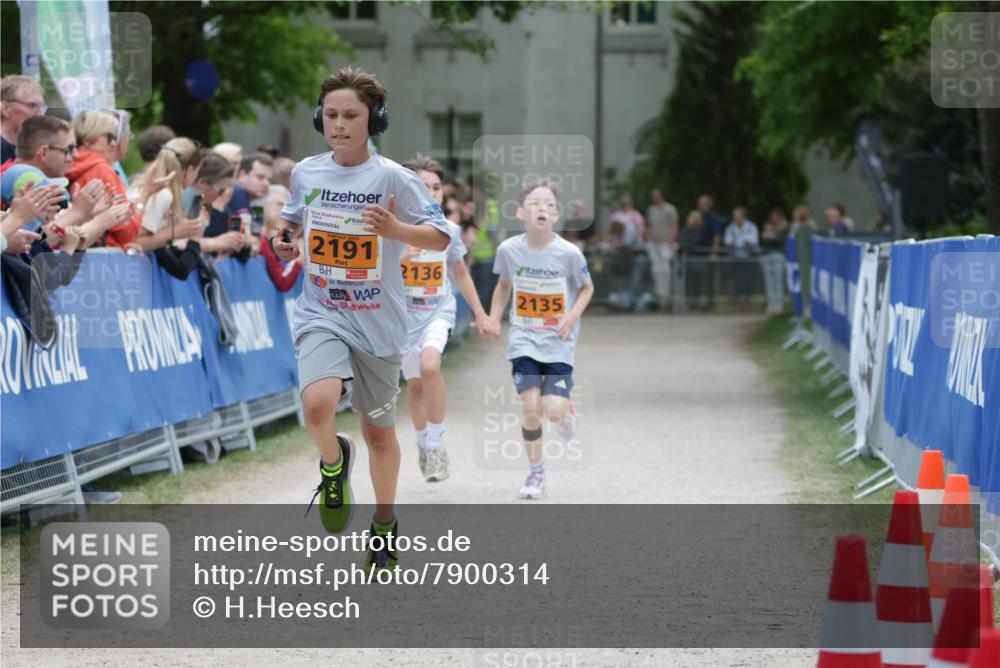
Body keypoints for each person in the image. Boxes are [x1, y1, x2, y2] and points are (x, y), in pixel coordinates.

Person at [271, 67, 450, 571]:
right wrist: (283, 237)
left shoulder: (395, 178)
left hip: (378, 320)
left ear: (375, 120)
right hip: (322, 309)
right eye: (331, 115)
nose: (340, 124)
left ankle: (385, 523)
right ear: (319, 118)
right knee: (318, 404)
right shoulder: (306, 171)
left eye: (351, 115)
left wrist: (396, 227)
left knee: (378, 434)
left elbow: (441, 238)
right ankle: (333, 466)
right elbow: (291, 221)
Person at [487, 180, 595, 499]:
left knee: (554, 411)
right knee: (531, 407)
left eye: (548, 204)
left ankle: (566, 411)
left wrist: (571, 316)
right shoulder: (508, 250)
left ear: (557, 214)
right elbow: (504, 285)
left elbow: (588, 287)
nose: (542, 208)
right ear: (521, 212)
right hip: (523, 338)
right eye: (535, 203)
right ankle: (536, 474)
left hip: (559, 340)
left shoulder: (569, 253)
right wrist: (494, 318)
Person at [399, 154, 490, 483]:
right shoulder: (391, 229)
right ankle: (423, 442)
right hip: (402, 316)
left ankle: (436, 444)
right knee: (416, 385)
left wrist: (481, 314)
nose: (432, 193)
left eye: (436, 187)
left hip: (437, 309)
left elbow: (461, 274)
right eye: (423, 187)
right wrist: (397, 258)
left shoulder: (448, 230)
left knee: (430, 367)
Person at [65, 110, 144, 250]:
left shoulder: (65, 164)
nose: (114, 143)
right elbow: (125, 233)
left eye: (115, 137)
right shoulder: (101, 169)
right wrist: (138, 208)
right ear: (87, 139)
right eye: (109, 137)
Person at [129, 137, 207, 252]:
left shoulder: (161, 190)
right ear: (190, 171)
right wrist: (175, 231)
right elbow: (133, 241)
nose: (196, 176)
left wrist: (179, 226)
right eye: (197, 171)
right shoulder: (163, 194)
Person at [226, 151, 273, 236]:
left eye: (269, 179)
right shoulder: (237, 192)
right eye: (260, 177)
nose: (266, 184)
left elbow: (256, 232)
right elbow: (239, 235)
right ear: (242, 174)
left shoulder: (257, 199)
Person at [1, 75, 46, 164]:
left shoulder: (40, 149)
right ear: (6, 109)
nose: (41, 114)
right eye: (33, 105)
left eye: (42, 107)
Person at [646, 188, 678, 310]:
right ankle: (659, 296)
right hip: (654, 243)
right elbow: (649, 225)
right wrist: (648, 240)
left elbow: (674, 225)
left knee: (665, 269)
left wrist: (671, 240)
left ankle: (666, 296)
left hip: (665, 243)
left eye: (657, 195)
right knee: (656, 269)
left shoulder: (670, 209)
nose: (655, 197)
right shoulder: (652, 210)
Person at [723, 206, 759, 310]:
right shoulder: (730, 228)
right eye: (735, 217)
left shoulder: (751, 227)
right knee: (737, 280)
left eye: (738, 216)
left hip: (748, 258)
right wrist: (735, 241)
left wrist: (743, 240)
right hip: (736, 258)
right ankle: (738, 301)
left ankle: (747, 300)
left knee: (748, 280)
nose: (736, 219)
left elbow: (754, 241)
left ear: (743, 216)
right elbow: (727, 242)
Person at [760, 207, 789, 314]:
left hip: (778, 255)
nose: (773, 218)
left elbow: (780, 241)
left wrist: (771, 237)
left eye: (775, 216)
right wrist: (771, 237)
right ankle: (771, 303)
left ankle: (779, 304)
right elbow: (763, 240)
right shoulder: (768, 227)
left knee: (778, 281)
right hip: (767, 255)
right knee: (769, 281)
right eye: (772, 217)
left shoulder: (784, 227)